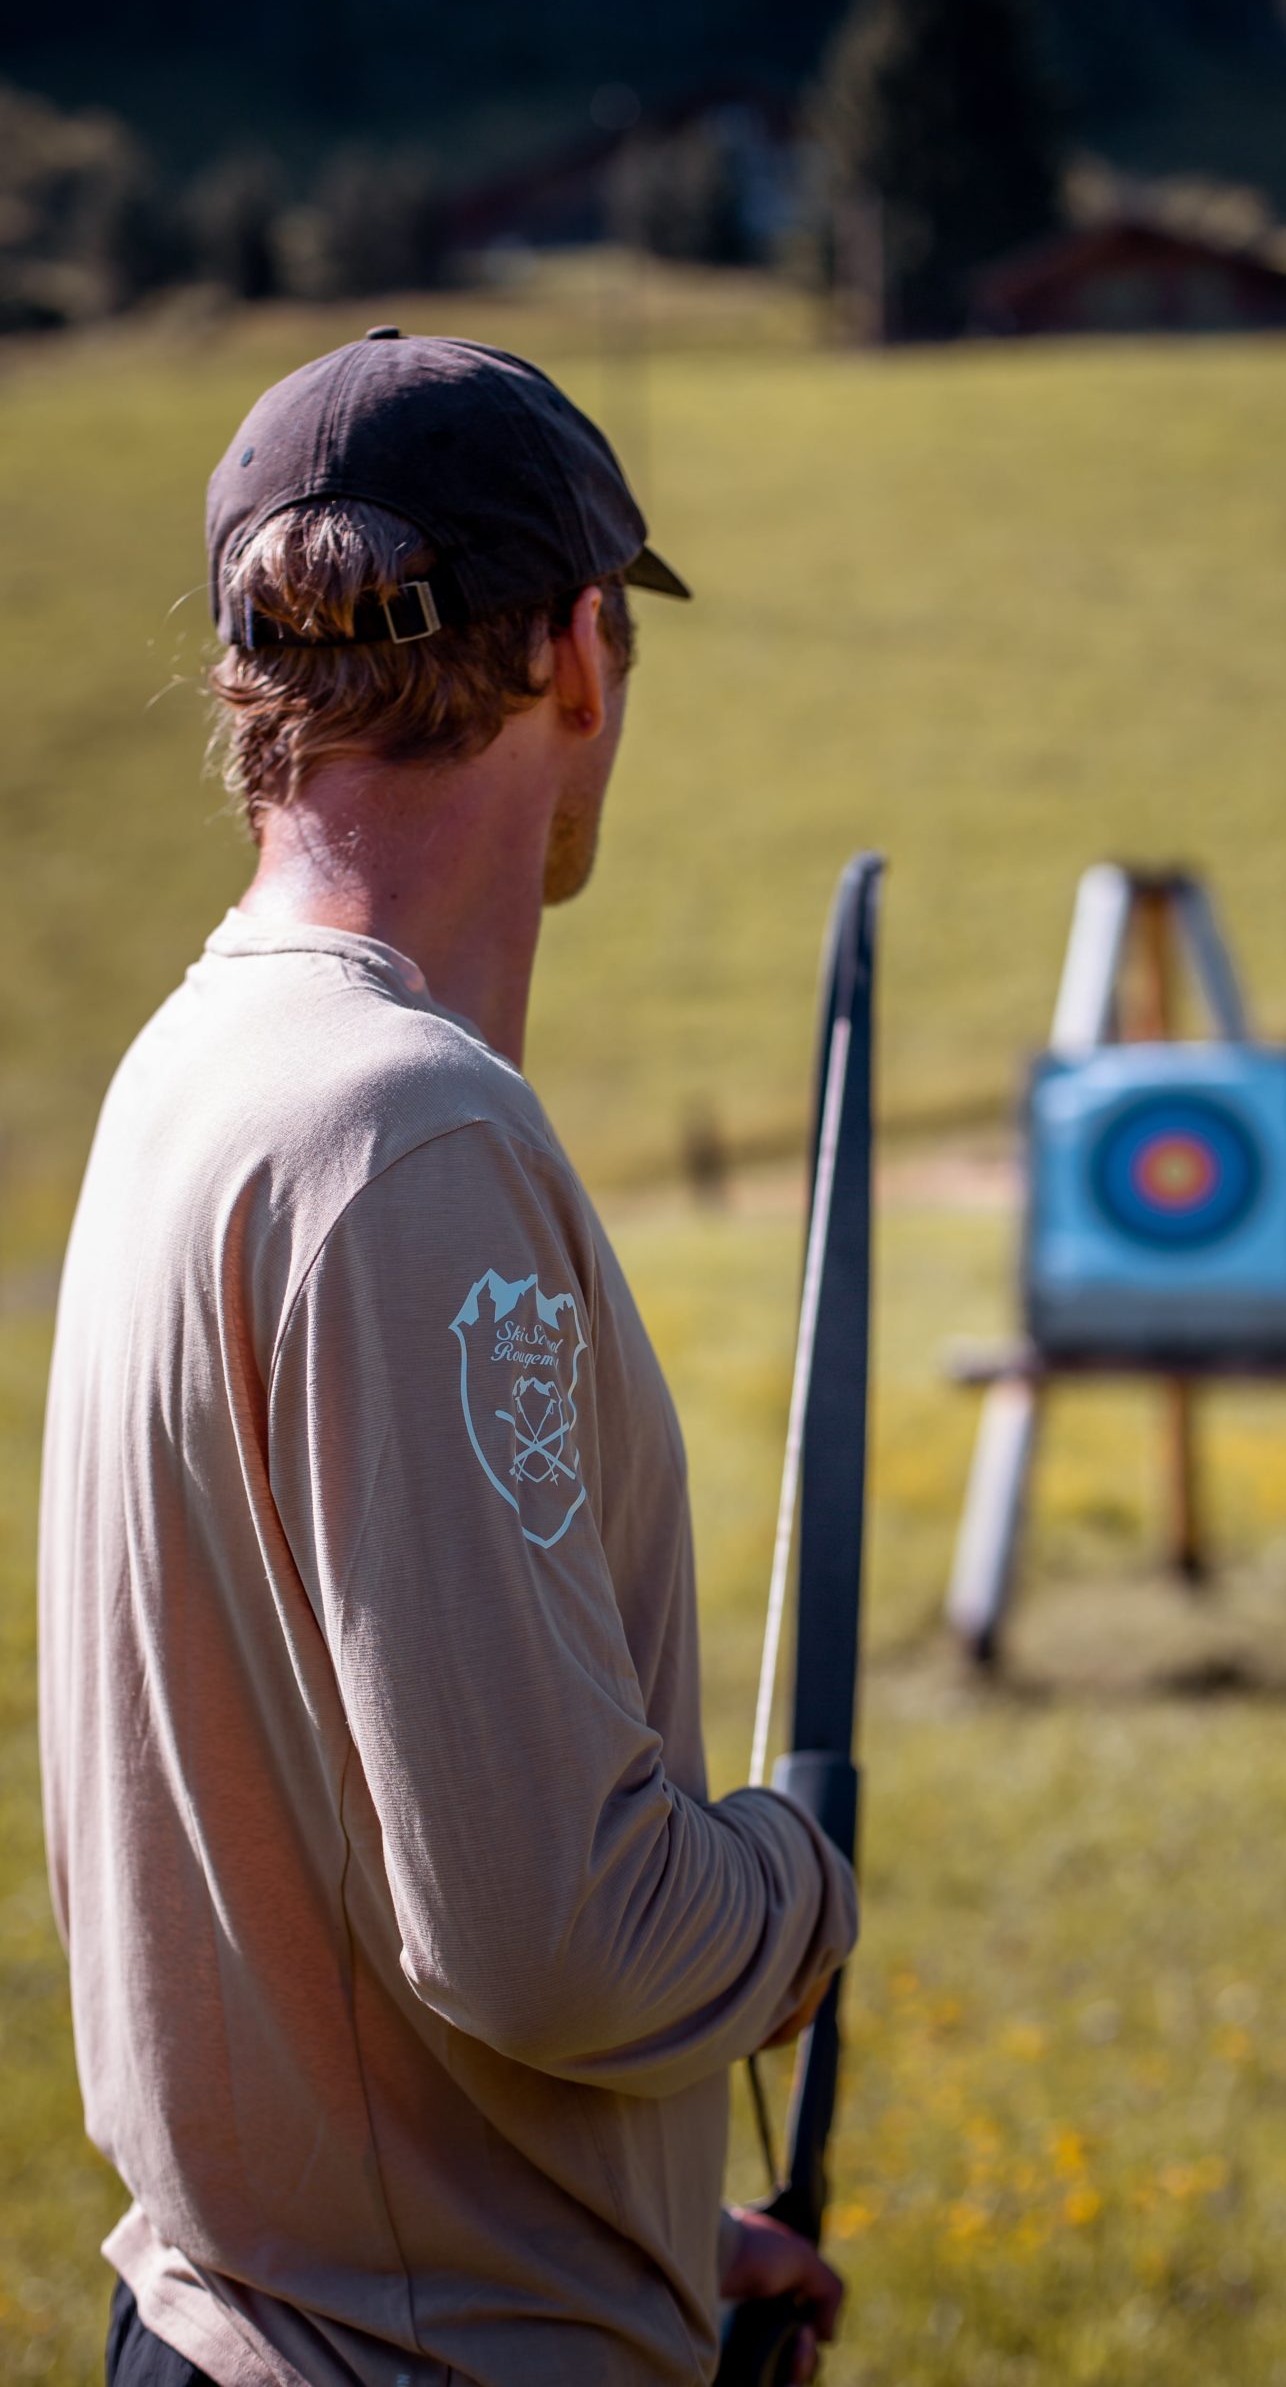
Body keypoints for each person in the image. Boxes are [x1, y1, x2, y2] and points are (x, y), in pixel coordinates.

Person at [38, 329, 857, 2387]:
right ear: (579, 653)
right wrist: (795, 1888)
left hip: (282, 2312)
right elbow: (548, 1930)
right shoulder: (405, 1132)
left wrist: (642, 2228)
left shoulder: (203, 1059)